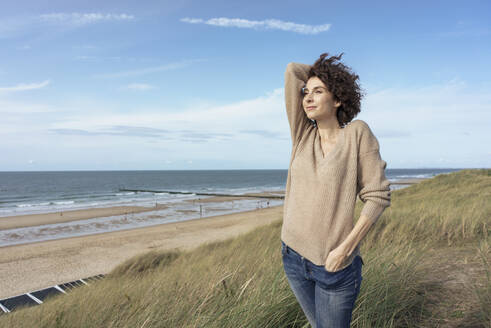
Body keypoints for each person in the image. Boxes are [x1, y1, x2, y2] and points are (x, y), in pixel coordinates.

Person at [280, 53, 391, 327]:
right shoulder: (302, 135)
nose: (307, 98)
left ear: (338, 98)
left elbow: (377, 196)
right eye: (306, 92)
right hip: (292, 257)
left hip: (335, 266)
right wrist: (323, 73)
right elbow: (292, 71)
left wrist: (345, 250)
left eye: (319, 92)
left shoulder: (357, 134)